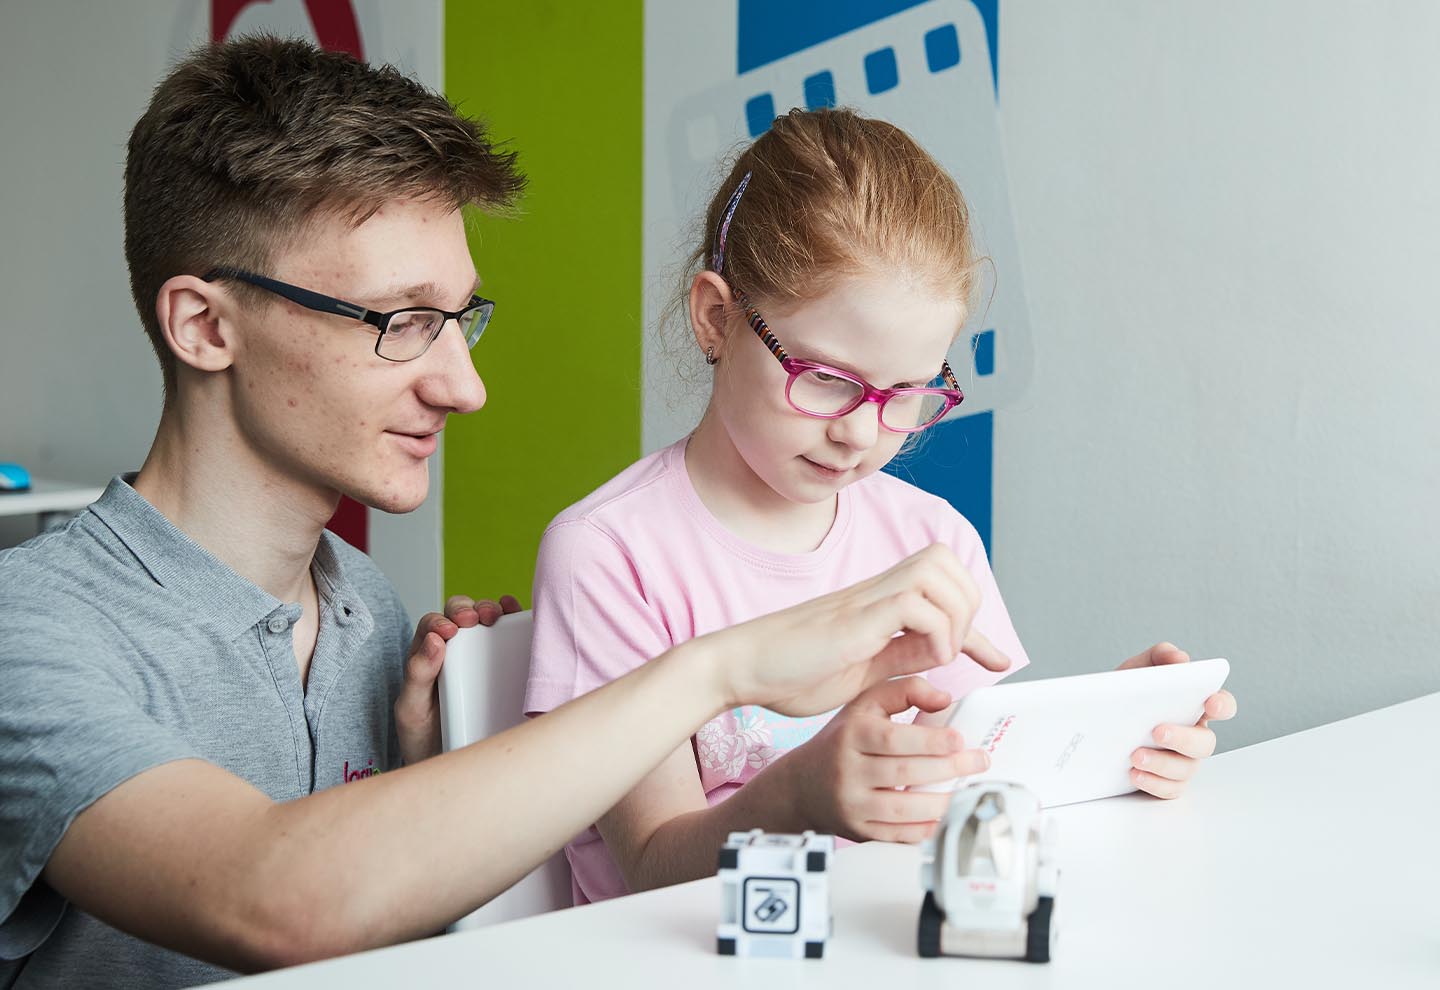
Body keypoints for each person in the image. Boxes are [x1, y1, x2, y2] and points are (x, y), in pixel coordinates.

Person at [0, 43, 993, 988]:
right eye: (404, 322)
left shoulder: (372, 618)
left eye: (462, 318)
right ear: (206, 325)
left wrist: (427, 757)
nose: (465, 387)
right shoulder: (29, 633)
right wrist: (724, 667)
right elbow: (277, 899)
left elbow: (405, 931)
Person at [526, 108, 1238, 905]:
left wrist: (1110, 741)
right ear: (716, 318)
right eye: (827, 379)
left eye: (907, 394)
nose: (861, 434)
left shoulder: (932, 538)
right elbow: (651, 869)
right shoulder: (611, 551)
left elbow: (969, 782)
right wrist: (799, 798)